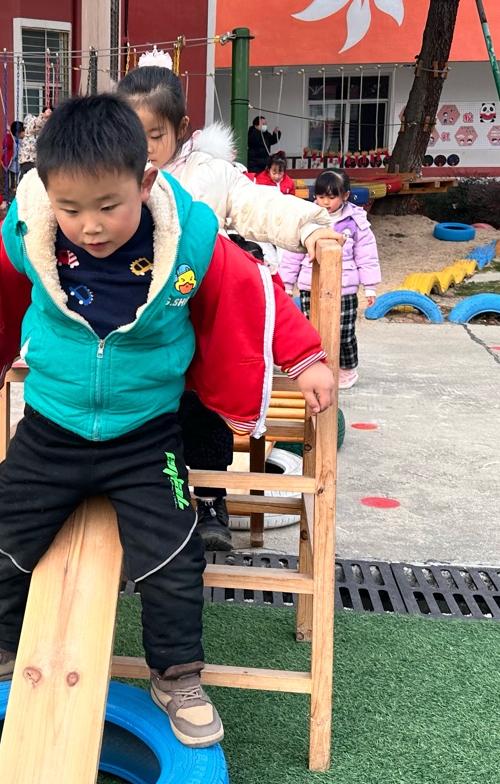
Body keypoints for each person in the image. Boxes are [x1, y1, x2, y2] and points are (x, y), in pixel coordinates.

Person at [0, 94, 336, 747]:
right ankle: (2, 644)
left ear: (147, 181)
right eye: (72, 209)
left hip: (147, 435)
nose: (90, 226)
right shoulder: (30, 228)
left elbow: (252, 290)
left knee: (175, 551)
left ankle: (177, 675)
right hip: (53, 426)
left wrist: (305, 358)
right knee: (5, 533)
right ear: (47, 193)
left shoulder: (187, 240)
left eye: (108, 206)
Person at [117, 61, 341, 551]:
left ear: (181, 129)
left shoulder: (209, 175)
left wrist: (310, 225)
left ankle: (211, 498)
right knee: (141, 412)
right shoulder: (112, 171)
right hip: (138, 327)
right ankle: (143, 502)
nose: (143, 148)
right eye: (132, 134)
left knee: (204, 402)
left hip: (199, 322)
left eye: (154, 136)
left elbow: (259, 204)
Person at [278, 170, 381, 389]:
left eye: (331, 197)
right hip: (310, 284)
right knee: (311, 330)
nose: (325, 202)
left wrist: (370, 287)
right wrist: (286, 284)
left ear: (345, 196)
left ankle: (347, 368)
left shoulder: (356, 221)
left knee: (344, 332)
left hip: (344, 287)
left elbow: (366, 254)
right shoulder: (307, 217)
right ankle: (316, 367)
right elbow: (293, 252)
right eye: (320, 196)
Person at [18, 103, 53, 173]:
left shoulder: (46, 130)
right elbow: (37, 125)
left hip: (35, 162)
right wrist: (44, 117)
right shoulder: (33, 125)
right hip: (30, 161)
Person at [1, 121, 24, 188]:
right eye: (23, 131)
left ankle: (14, 190)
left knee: (16, 182)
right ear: (18, 133)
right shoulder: (12, 139)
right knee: (7, 183)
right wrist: (8, 133)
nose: (25, 133)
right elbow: (5, 144)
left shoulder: (23, 140)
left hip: (18, 166)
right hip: (9, 165)